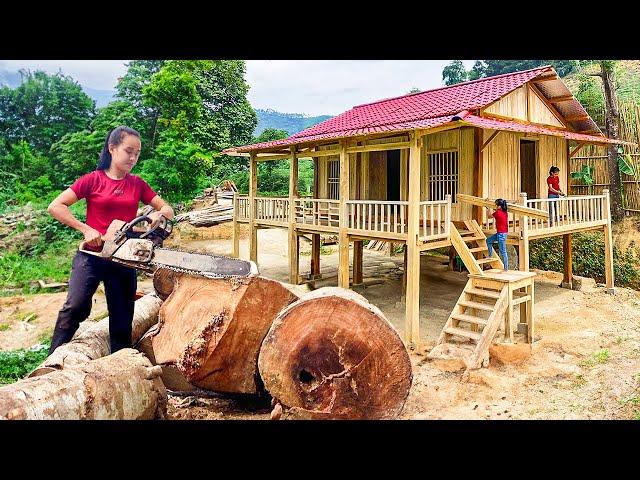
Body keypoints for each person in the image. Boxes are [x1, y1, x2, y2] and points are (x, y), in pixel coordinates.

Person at [47, 126, 174, 355]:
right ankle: (51, 361)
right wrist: (86, 229)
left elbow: (167, 209)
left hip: (123, 258)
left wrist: (159, 214)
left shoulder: (137, 184)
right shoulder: (92, 180)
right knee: (74, 308)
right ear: (112, 148)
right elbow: (55, 206)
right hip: (92, 255)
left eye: (137, 153)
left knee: (122, 318)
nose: (133, 158)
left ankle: (119, 365)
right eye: (128, 151)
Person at [485, 198, 509, 271]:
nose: (495, 206)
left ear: (499, 206)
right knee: (488, 241)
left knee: (503, 252)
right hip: (501, 233)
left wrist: (488, 208)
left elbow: (489, 216)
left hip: (501, 235)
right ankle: (490, 255)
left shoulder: (498, 212)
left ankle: (506, 269)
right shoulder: (505, 212)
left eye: (495, 205)